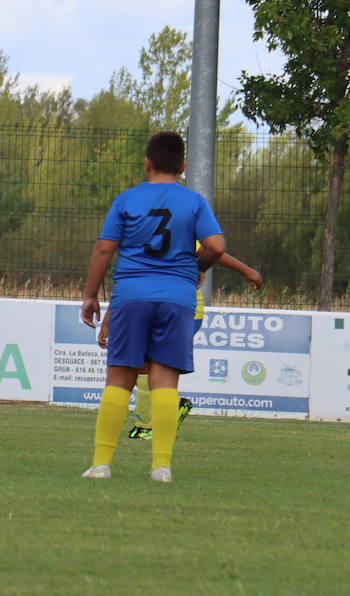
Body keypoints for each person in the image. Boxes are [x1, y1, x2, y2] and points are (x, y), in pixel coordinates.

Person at [81, 131, 223, 482]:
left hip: (131, 295)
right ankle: (161, 466)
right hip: (177, 298)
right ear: (184, 167)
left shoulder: (127, 200)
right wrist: (198, 266)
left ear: (147, 163)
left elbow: (103, 250)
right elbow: (217, 246)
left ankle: (101, 464)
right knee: (165, 382)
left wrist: (91, 294)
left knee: (119, 379)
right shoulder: (193, 202)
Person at [100, 250, 262, 440]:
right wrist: (108, 319)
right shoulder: (148, 236)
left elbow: (213, 250)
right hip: (154, 307)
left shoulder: (177, 227)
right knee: (144, 366)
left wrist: (244, 270)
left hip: (180, 310)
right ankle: (161, 416)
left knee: (151, 366)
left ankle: (148, 426)